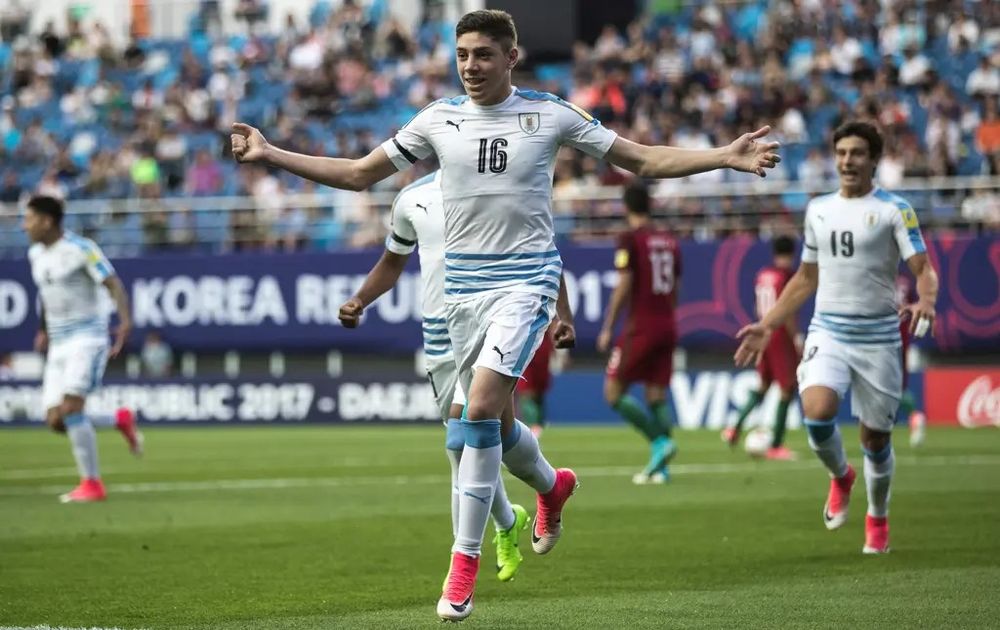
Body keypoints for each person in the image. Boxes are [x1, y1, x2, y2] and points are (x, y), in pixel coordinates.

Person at [231, 10, 779, 620]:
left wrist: (723, 156)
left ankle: (462, 564)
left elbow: (642, 160)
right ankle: (552, 485)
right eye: (462, 54)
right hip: (462, 294)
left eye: (484, 54)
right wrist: (270, 152)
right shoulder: (438, 119)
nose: (470, 66)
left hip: (525, 284)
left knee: (478, 411)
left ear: (511, 57)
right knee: (497, 425)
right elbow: (359, 174)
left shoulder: (550, 114)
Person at [735, 121, 938, 555]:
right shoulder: (819, 209)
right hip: (828, 330)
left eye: (857, 153)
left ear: (873, 159)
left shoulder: (895, 210)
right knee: (817, 411)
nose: (848, 161)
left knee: (876, 441)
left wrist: (926, 300)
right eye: (842, 153)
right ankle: (841, 475)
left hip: (879, 338)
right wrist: (767, 324)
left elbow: (923, 268)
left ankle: (877, 517)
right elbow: (805, 278)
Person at [337, 170, 532, 583]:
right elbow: (393, 262)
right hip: (440, 333)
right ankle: (508, 519)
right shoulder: (411, 199)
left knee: (460, 436)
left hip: (486, 320)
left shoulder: (493, 184)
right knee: (462, 449)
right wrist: (360, 299)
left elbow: (536, 247)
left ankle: (461, 564)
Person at [23, 196, 143, 503]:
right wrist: (43, 329)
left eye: (29, 219)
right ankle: (118, 419)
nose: (25, 226)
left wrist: (125, 321)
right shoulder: (36, 254)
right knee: (56, 419)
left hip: (87, 338)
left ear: (47, 221)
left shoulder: (81, 248)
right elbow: (47, 295)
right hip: (58, 342)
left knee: (72, 409)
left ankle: (92, 484)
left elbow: (112, 283)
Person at [597, 182, 681, 485]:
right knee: (656, 395)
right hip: (668, 323)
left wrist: (608, 326)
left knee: (613, 392)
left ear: (626, 206)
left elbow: (624, 283)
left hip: (641, 326)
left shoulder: (629, 239)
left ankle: (660, 441)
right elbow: (676, 287)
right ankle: (662, 469)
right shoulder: (669, 241)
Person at [722, 235, 801, 460]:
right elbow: (787, 309)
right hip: (779, 334)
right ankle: (776, 445)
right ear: (793, 253)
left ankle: (734, 427)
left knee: (764, 385)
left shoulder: (763, 274)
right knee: (787, 388)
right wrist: (796, 337)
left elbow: (758, 305)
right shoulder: (787, 275)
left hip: (763, 330)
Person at [895, 272, 926, 447]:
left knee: (885, 387)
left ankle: (914, 416)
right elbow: (916, 307)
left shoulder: (877, 277)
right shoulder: (905, 281)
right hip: (902, 338)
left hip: (880, 337)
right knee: (898, 385)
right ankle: (915, 416)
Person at [516, 328, 555, 437]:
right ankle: (536, 424)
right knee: (529, 391)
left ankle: (535, 424)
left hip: (535, 347)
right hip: (530, 346)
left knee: (533, 392)